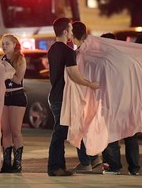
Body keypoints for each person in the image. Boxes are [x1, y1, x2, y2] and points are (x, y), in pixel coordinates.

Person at [47, 17, 100, 177]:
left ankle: (69, 164)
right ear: (64, 31)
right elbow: (73, 75)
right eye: (70, 29)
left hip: (55, 95)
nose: (71, 32)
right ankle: (55, 167)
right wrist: (90, 84)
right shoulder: (67, 51)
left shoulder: (53, 49)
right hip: (63, 98)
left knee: (68, 129)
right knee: (60, 132)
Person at [100, 32, 140, 176]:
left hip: (112, 102)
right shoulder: (129, 59)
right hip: (129, 102)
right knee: (131, 136)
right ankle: (134, 168)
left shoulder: (104, 60)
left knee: (111, 135)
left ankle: (113, 166)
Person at [71, 21, 103, 173]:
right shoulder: (94, 52)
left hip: (83, 94)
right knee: (88, 127)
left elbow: (77, 76)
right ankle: (93, 157)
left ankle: (86, 162)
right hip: (93, 94)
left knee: (81, 128)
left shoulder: (80, 54)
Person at [0, 34, 27, 173]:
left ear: (14, 44)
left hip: (17, 95)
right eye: (3, 43)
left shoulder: (19, 58)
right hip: (4, 96)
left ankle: (17, 164)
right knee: (6, 131)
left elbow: (18, 79)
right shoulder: (0, 59)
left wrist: (7, 71)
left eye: (7, 43)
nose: (4, 46)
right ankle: (6, 163)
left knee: (16, 131)